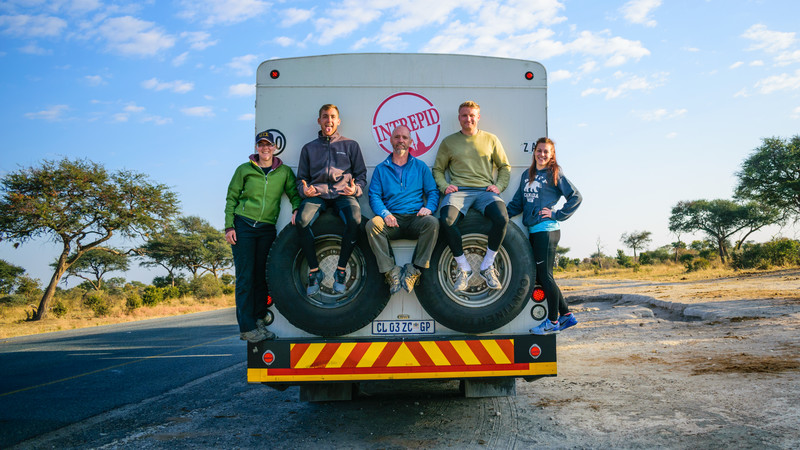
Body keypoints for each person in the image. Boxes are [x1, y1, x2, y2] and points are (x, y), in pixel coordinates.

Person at [225, 130, 301, 343]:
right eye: (261, 145)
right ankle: (247, 327)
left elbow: (294, 194)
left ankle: (258, 322)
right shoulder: (244, 170)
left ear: (274, 147)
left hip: (267, 228)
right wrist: (229, 227)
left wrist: (296, 209)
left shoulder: (284, 172)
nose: (265, 148)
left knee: (261, 278)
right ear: (256, 147)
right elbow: (231, 198)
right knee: (245, 278)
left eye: (268, 145)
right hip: (244, 226)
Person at [432, 100, 511, 292]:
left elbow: (504, 167)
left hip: (485, 191)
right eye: (464, 115)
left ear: (478, 117)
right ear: (459, 118)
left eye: (472, 115)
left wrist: (498, 186)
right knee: (446, 220)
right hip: (459, 191)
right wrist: (444, 186)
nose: (468, 119)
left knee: (502, 218)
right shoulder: (448, 142)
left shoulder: (491, 139)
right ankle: (463, 268)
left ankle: (487, 265)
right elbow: (438, 170)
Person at [507, 137, 582, 335]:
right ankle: (566, 315)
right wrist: (501, 217)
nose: (542, 155)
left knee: (546, 276)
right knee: (542, 276)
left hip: (547, 230)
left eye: (546, 152)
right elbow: (517, 203)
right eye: (539, 151)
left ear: (551, 155)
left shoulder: (554, 173)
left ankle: (553, 321)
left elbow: (576, 197)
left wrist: (557, 214)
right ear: (535, 152)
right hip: (533, 231)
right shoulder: (527, 174)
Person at [293, 104, 367, 296]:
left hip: (343, 194)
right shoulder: (308, 148)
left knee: (355, 220)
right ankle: (314, 271)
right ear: (319, 120)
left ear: (338, 121)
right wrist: (304, 189)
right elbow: (301, 177)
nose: (329, 120)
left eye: (333, 117)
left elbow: (361, 175)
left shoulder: (350, 145)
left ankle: (340, 270)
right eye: (325, 117)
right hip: (317, 195)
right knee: (301, 221)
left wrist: (355, 189)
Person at [366, 125, 440, 294]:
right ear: (391, 140)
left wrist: (428, 208)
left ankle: (414, 270)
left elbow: (433, 192)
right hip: (391, 221)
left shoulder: (420, 167)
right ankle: (391, 271)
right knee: (372, 224)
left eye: (405, 138)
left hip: (416, 219)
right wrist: (385, 214)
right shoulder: (381, 168)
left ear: (411, 141)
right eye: (397, 137)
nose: (401, 141)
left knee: (433, 222)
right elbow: (374, 196)